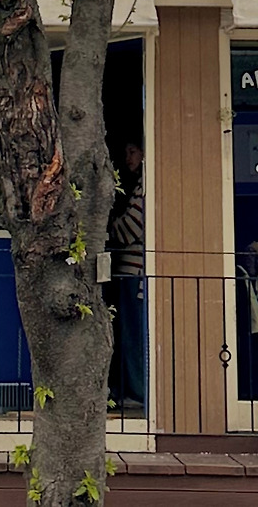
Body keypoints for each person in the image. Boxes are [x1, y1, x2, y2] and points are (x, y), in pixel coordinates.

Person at [108, 142, 146, 408]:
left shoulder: (145, 185)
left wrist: (110, 226)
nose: (128, 158)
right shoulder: (141, 184)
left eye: (132, 152)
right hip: (132, 272)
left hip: (135, 273)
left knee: (133, 334)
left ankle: (139, 391)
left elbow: (130, 228)